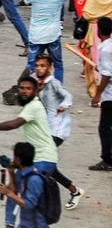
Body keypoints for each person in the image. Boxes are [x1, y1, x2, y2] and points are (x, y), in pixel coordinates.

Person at [0, 76, 76, 228]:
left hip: (44, 158)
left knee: (20, 192)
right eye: (22, 88)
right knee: (14, 189)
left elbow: (14, 124)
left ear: (35, 91)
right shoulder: (30, 106)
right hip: (39, 158)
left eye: (28, 88)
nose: (23, 91)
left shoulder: (34, 106)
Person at [23, 0, 93, 80]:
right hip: (52, 35)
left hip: (36, 35)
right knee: (58, 64)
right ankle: (58, 90)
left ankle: (24, 87)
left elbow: (24, 1)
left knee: (31, 65)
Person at [33, 53, 84, 209]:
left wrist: (63, 106)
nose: (39, 68)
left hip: (58, 128)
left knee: (42, 163)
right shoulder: (38, 82)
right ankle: (74, 190)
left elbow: (67, 96)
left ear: (50, 67)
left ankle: (43, 198)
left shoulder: (53, 83)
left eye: (43, 66)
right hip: (47, 129)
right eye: (37, 65)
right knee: (48, 166)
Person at [89, 16, 112, 170]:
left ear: (99, 32)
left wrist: (97, 95)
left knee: (104, 128)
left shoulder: (105, 49)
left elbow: (106, 75)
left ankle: (107, 160)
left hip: (110, 96)